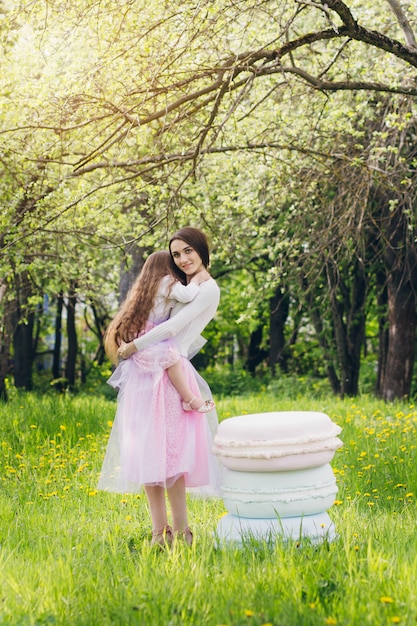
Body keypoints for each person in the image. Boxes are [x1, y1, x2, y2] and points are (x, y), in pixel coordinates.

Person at [98, 227, 221, 547]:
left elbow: (174, 326)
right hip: (147, 372)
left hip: (170, 373)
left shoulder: (207, 288)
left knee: (171, 459)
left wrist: (135, 346)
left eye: (188, 252)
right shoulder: (180, 283)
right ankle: (159, 532)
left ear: (201, 250)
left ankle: (183, 532)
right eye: (176, 254)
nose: (182, 259)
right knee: (147, 455)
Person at [104, 250, 214, 413]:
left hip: (142, 332)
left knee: (168, 360)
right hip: (150, 335)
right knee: (172, 358)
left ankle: (188, 399)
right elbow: (187, 295)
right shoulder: (166, 281)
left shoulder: (147, 285)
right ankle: (190, 399)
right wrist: (197, 279)